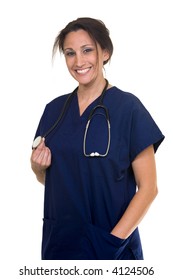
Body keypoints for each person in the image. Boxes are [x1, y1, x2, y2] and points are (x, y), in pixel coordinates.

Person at [30, 17, 165, 260]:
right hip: (61, 244)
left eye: (87, 50)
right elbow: (55, 180)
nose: (79, 61)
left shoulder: (129, 108)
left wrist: (111, 244)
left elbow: (148, 189)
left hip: (112, 249)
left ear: (105, 53)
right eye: (70, 53)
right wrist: (38, 168)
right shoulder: (54, 110)